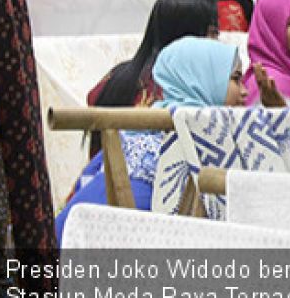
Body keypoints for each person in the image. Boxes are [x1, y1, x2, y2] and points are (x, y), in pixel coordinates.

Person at [55, 36, 249, 240]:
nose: (245, 92)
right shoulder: (181, 143)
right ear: (203, 81)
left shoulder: (141, 133)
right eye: (235, 79)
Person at [84, 0, 218, 157]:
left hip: (101, 178)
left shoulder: (116, 76)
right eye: (212, 34)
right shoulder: (181, 91)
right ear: (187, 36)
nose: (217, 44)